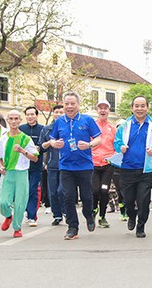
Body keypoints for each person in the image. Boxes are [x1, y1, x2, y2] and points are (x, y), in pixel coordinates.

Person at [50, 92, 102, 240]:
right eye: (67, 104)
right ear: (64, 104)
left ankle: (89, 215)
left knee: (86, 196)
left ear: (78, 105)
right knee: (68, 196)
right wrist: (55, 144)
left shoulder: (87, 120)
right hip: (66, 166)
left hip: (85, 166)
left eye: (73, 103)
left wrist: (89, 144)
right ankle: (73, 227)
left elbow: (98, 138)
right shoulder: (59, 121)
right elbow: (52, 140)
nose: (70, 106)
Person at [114, 96, 152, 238]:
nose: (139, 109)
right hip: (127, 168)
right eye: (136, 106)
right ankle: (131, 215)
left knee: (143, 200)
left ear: (147, 108)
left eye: (142, 106)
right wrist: (120, 147)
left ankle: (141, 226)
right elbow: (116, 142)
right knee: (128, 199)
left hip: (146, 170)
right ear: (132, 108)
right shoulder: (125, 126)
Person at [0, 110, 40, 238]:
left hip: (21, 172)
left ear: (20, 120)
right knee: (3, 201)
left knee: (20, 202)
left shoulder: (26, 139)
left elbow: (35, 158)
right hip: (8, 173)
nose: (14, 121)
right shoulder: (3, 138)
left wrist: (22, 151)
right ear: (7, 120)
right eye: (11, 119)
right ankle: (8, 216)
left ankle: (17, 228)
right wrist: (0, 166)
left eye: (16, 119)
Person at [91, 100, 117, 228]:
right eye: (100, 108)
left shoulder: (112, 129)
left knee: (104, 190)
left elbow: (116, 145)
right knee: (95, 190)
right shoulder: (92, 126)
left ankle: (102, 216)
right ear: (97, 111)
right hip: (94, 164)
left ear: (109, 110)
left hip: (108, 164)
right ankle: (93, 209)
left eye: (105, 108)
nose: (102, 110)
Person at [39, 105, 65, 226]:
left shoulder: (68, 127)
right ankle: (57, 215)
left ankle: (65, 211)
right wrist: (50, 143)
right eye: (56, 112)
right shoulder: (47, 129)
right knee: (52, 192)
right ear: (53, 114)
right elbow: (41, 146)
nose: (58, 114)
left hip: (66, 164)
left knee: (62, 191)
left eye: (61, 112)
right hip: (52, 164)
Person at [19, 106, 44, 227]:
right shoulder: (20, 129)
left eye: (32, 114)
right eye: (27, 114)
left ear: (36, 115)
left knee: (33, 190)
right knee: (23, 191)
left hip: (36, 164)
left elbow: (44, 145)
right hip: (21, 165)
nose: (30, 117)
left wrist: (40, 148)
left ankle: (32, 216)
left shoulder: (42, 129)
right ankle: (25, 211)